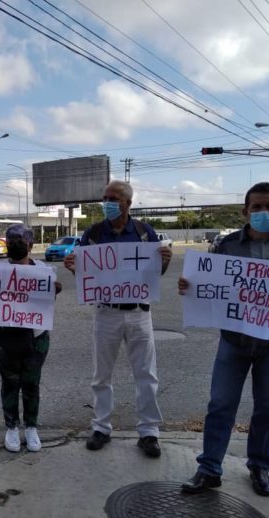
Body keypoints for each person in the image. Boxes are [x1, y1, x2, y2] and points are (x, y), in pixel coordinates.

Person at [179, 182, 269, 497]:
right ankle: (209, 469)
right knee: (220, 404)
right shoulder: (228, 245)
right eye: (257, 207)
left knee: (267, 408)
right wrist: (190, 287)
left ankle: (259, 467)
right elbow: (209, 285)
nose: (263, 213)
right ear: (246, 211)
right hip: (235, 340)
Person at [64, 180, 172, 458]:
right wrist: (75, 268)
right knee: (101, 374)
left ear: (128, 204)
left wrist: (166, 261)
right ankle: (101, 427)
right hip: (106, 312)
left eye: (113, 198)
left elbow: (153, 275)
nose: (107, 203)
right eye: (105, 198)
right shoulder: (94, 233)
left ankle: (149, 432)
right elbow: (88, 276)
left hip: (139, 312)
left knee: (146, 374)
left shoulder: (144, 233)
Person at [0, 224, 61, 452]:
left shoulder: (43, 271)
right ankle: (11, 427)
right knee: (9, 383)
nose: (18, 245)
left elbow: (44, 305)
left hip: (35, 338)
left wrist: (52, 290)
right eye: (13, 241)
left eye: (22, 241)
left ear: (30, 245)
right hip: (3, 338)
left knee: (31, 383)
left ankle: (31, 427)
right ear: (7, 244)